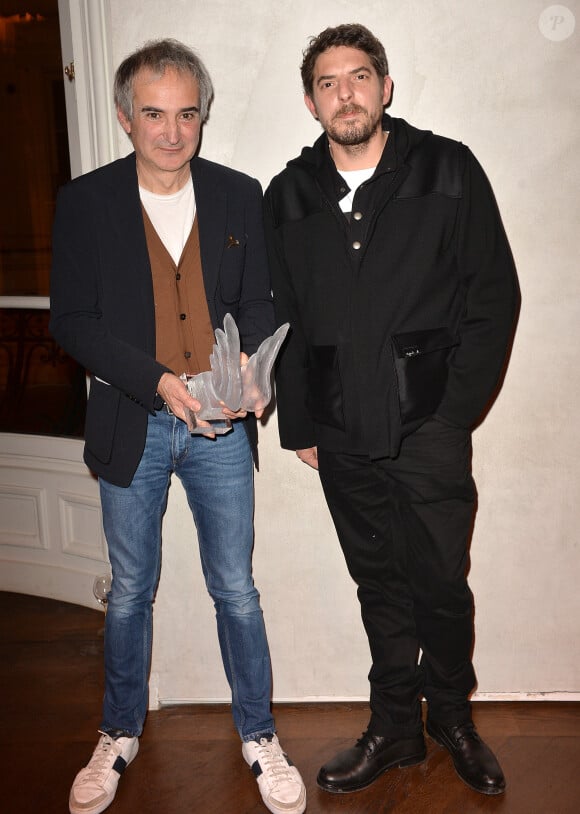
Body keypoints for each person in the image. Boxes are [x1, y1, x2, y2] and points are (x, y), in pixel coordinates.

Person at [50, 38, 305, 814]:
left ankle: (258, 735)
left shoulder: (237, 192)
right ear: (126, 117)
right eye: (154, 113)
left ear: (202, 117)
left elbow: (258, 302)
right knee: (131, 589)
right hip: (135, 418)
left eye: (186, 113)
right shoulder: (85, 202)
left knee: (236, 587)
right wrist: (158, 382)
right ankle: (118, 731)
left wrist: (257, 375)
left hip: (221, 426)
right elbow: (74, 322)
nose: (171, 131)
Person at [265, 23, 519, 799]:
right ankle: (394, 728)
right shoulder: (290, 195)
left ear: (385, 87)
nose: (347, 93)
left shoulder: (447, 169)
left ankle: (451, 715)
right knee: (378, 583)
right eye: (330, 82)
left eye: (360, 76)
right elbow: (288, 320)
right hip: (342, 435)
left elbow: (493, 297)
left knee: (441, 583)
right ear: (311, 102)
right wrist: (303, 426)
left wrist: (454, 412)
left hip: (430, 427)